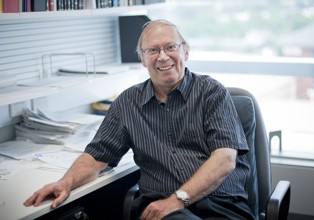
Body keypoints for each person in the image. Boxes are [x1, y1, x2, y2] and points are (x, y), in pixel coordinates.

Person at [24, 19, 254, 220]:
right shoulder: (127, 102)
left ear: (185, 52)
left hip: (221, 203)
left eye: (170, 47)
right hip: (160, 207)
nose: (162, 56)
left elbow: (225, 158)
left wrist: (178, 199)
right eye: (152, 50)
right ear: (143, 59)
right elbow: (97, 156)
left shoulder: (211, 92)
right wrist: (66, 182)